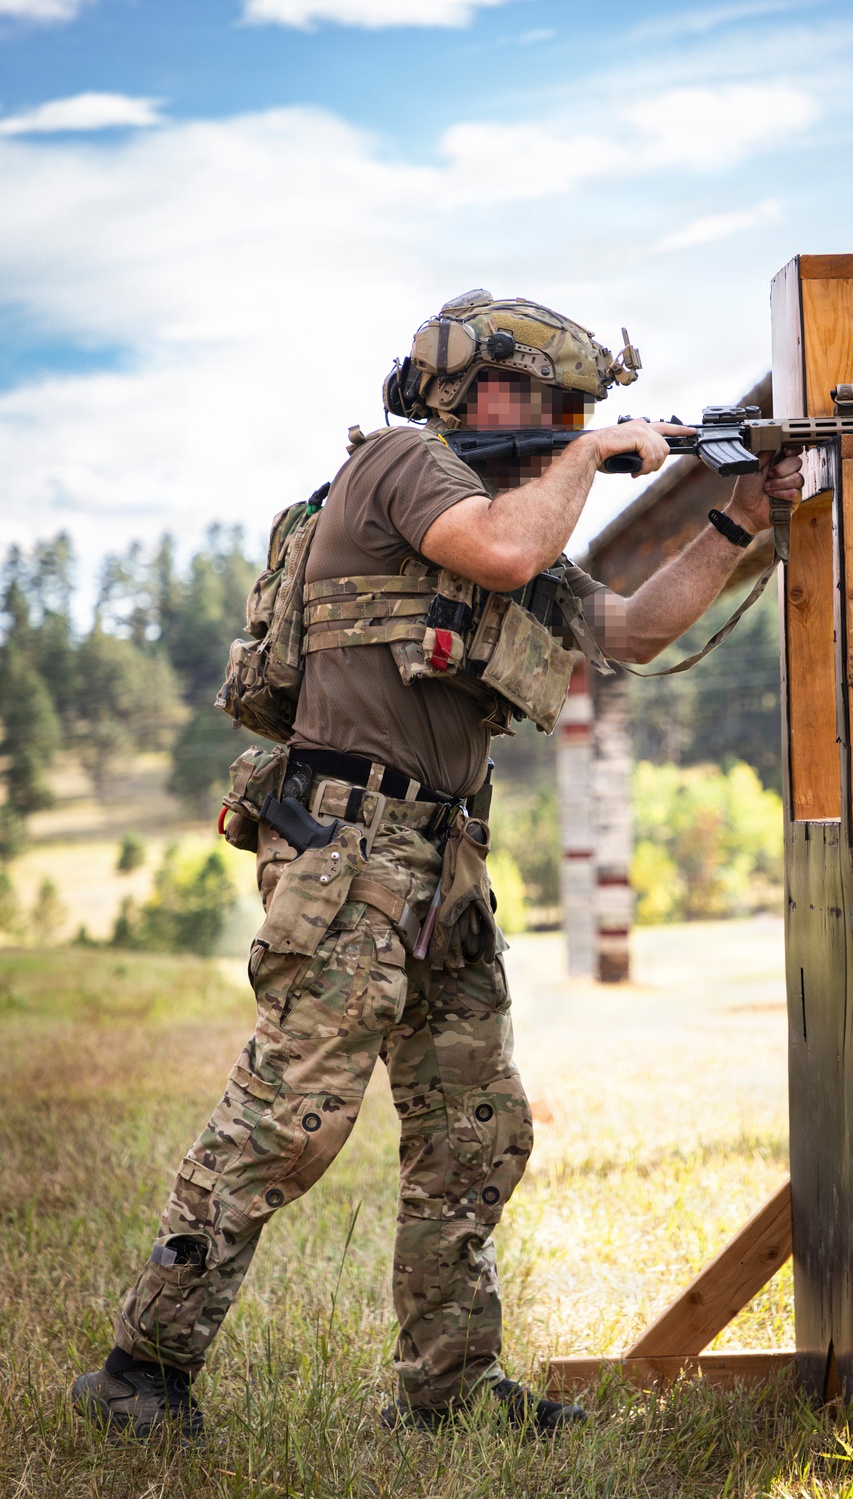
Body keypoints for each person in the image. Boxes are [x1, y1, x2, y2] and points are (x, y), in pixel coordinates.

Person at [72, 291, 803, 1440]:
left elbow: (628, 632)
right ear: (466, 388)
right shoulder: (405, 466)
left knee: (476, 1125)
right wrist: (598, 454)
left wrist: (734, 517)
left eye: (580, 406)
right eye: (549, 400)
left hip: (443, 859)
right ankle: (139, 1370)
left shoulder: (513, 520)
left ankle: (447, 1388)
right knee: (286, 1124)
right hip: (346, 852)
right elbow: (507, 545)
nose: (567, 418)